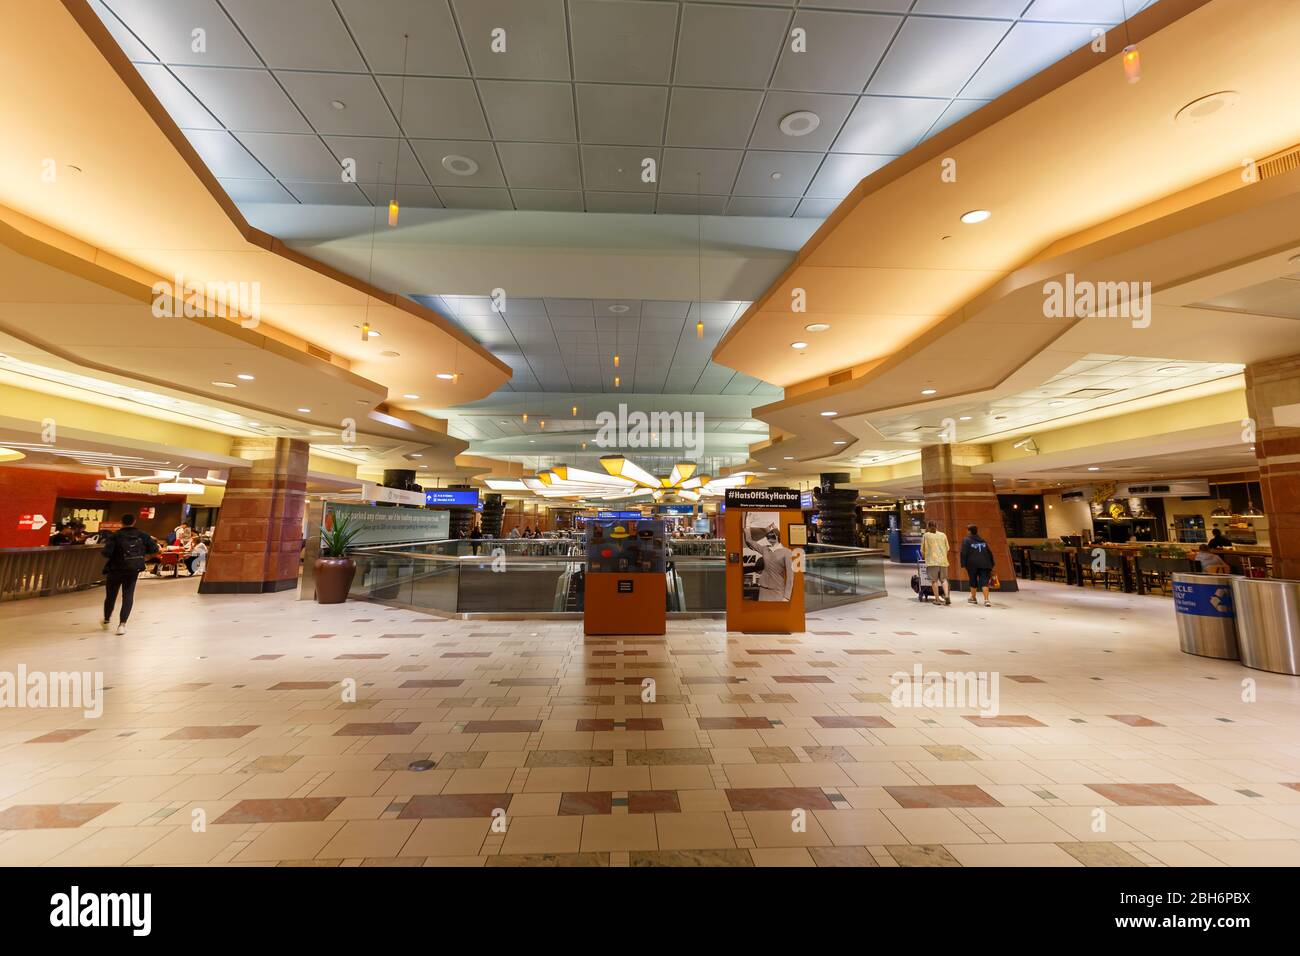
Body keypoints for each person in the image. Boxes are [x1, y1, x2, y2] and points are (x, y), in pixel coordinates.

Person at [100, 513, 158, 635]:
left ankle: (106, 620)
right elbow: (154, 549)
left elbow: (106, 553)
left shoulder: (115, 536)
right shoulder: (143, 535)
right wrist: (142, 556)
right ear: (134, 521)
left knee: (110, 595)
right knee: (128, 595)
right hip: (133, 569)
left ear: (121, 522)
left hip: (115, 569)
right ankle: (122, 625)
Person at [752, 522, 795, 602]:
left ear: (777, 536)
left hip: (777, 589)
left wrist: (787, 597)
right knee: (763, 613)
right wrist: (747, 526)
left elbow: (790, 576)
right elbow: (749, 541)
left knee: (777, 613)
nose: (769, 538)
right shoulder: (765, 549)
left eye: (772, 535)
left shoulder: (787, 552)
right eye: (768, 536)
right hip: (763, 588)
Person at [959, 523, 996, 607]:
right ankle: (986, 600)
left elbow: (963, 553)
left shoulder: (966, 540)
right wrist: (992, 564)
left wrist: (963, 563)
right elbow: (989, 553)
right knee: (984, 582)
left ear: (969, 531)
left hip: (972, 564)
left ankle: (973, 598)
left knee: (973, 580)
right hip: (985, 563)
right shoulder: (983, 540)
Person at [920, 521, 951, 606]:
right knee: (944, 580)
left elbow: (922, 550)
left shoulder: (926, 536)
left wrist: (924, 557)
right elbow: (947, 548)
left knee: (934, 581)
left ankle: (937, 599)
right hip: (943, 561)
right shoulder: (943, 535)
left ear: (928, 527)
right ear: (937, 526)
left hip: (932, 561)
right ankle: (947, 596)